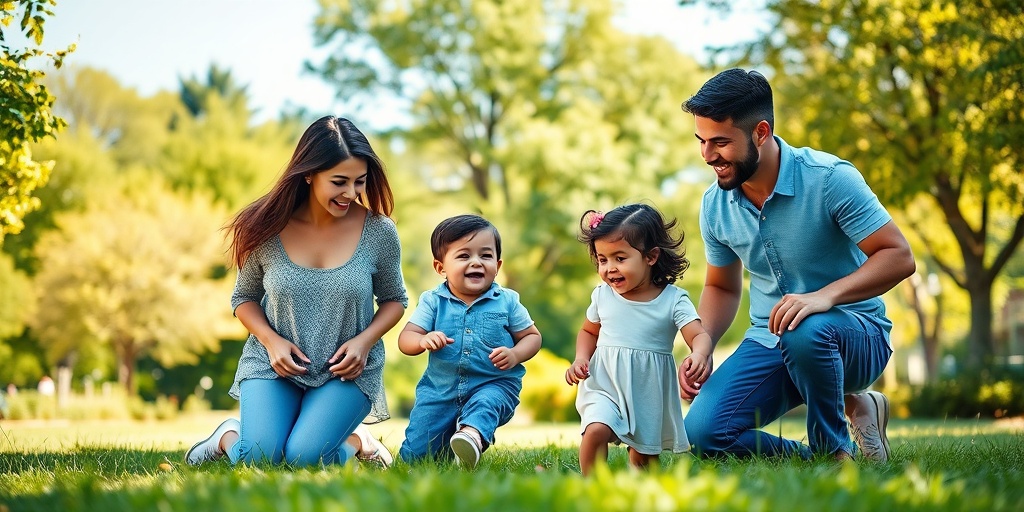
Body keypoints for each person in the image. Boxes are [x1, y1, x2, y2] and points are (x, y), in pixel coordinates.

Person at [679, 69, 916, 462]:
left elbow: (898, 256)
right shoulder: (715, 204)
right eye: (702, 142)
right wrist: (703, 345)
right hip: (771, 340)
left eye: (720, 142)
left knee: (806, 327)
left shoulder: (828, 179)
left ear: (761, 132)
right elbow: (721, 287)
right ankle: (820, 458)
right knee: (703, 434)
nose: (707, 156)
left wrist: (823, 297)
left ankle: (834, 452)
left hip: (856, 336)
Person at [185, 115, 408, 468]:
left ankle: (356, 440)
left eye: (359, 182)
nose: (351, 193)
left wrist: (364, 342)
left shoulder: (379, 232)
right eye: (339, 182)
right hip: (275, 366)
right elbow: (243, 299)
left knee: (303, 458)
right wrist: (272, 342)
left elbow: (395, 300)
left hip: (345, 372)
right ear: (308, 173)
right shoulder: (265, 227)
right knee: (260, 459)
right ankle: (228, 436)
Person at [565, 204, 713, 476]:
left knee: (644, 459)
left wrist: (699, 355)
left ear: (651, 256)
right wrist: (581, 358)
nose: (610, 268)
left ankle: (643, 491)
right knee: (596, 429)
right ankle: (592, 486)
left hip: (647, 390)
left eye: (620, 258)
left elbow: (699, 334)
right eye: (602, 260)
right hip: (604, 382)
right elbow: (588, 331)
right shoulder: (602, 296)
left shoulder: (673, 300)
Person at [396, 214, 542, 469]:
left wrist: (516, 354)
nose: (476, 262)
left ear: (497, 264)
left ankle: (471, 440)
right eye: (464, 256)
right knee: (417, 460)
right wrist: (423, 340)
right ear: (440, 267)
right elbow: (405, 339)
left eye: (485, 256)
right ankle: (447, 448)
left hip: (494, 385)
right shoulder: (433, 301)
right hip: (440, 391)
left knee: (484, 404)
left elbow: (532, 336)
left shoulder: (507, 301)